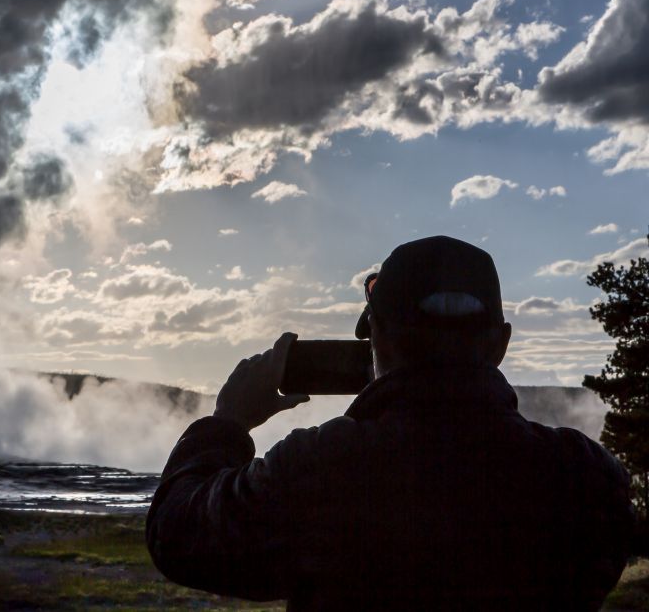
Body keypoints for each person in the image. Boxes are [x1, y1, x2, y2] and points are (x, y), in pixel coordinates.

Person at [146, 235, 633, 610]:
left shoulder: (321, 469)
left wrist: (228, 423)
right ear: (500, 344)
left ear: (376, 339)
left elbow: (177, 536)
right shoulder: (587, 478)